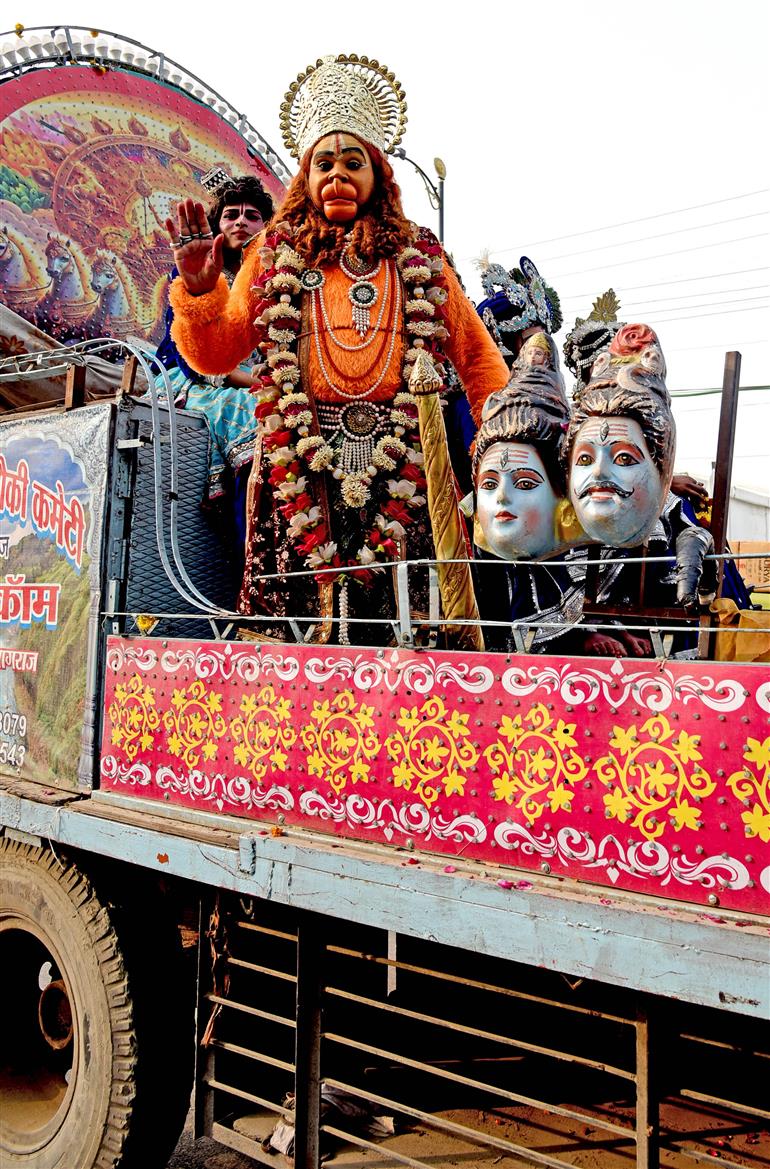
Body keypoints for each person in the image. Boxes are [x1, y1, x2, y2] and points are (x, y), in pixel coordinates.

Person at [165, 55, 509, 643]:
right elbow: (217, 354)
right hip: (295, 465)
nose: (337, 175)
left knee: (416, 642)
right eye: (323, 163)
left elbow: (479, 362)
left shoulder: (420, 256)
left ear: (379, 175)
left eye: (354, 163)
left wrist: (501, 449)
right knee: (290, 645)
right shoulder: (274, 253)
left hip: (409, 465)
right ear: (305, 174)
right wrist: (200, 289)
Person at [154, 174, 274, 549]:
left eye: (252, 216)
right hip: (188, 378)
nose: (241, 222)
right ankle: (249, 545)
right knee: (256, 414)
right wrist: (253, 382)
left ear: (266, 227)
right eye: (231, 215)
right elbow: (193, 361)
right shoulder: (197, 270)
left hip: (256, 379)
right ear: (217, 224)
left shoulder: (274, 280)